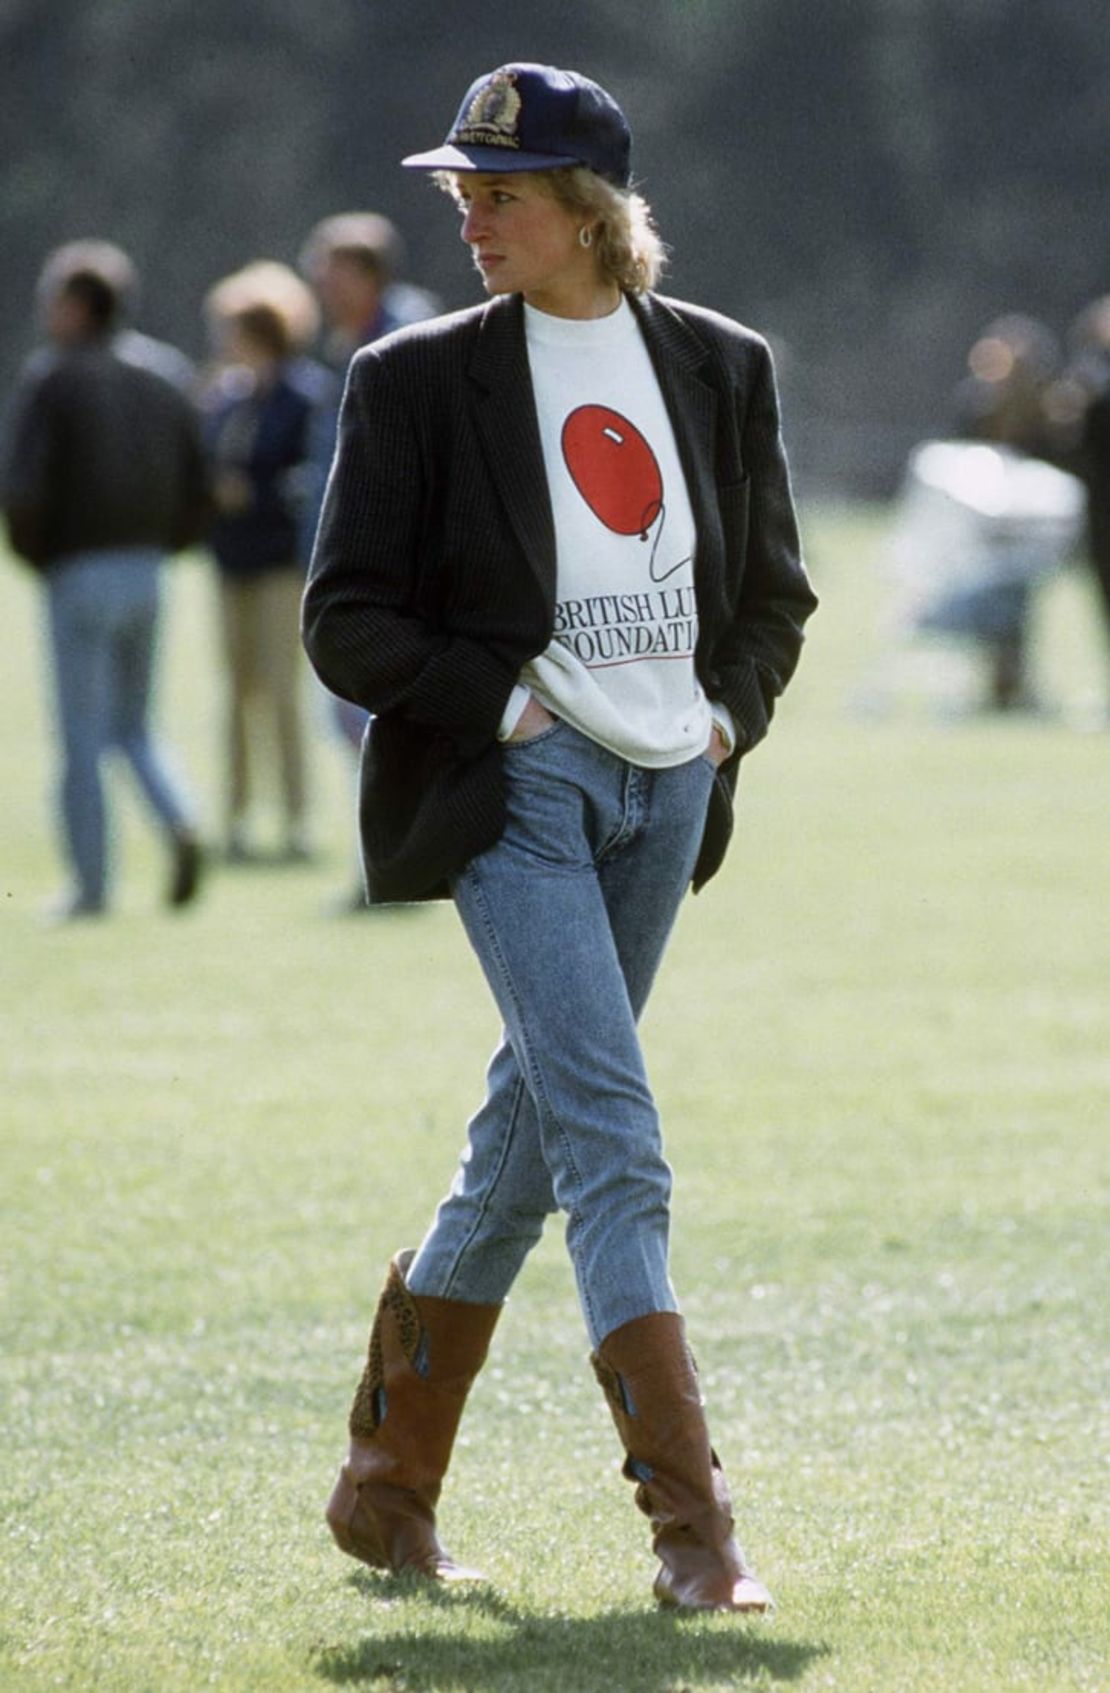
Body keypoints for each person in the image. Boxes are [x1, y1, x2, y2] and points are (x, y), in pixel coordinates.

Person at [302, 62, 817, 1611]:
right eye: (461, 192)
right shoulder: (412, 379)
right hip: (516, 795)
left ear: (590, 214)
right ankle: (695, 1536)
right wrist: (502, 705)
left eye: (500, 194)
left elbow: (774, 593)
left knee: (523, 1148)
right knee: (612, 1138)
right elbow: (344, 620)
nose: (470, 216)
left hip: (670, 792)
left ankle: (383, 1491)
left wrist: (721, 717)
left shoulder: (719, 366)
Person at [2, 241, 208, 920]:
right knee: (135, 727)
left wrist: (39, 557)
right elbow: (198, 480)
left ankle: (91, 889)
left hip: (79, 570)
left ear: (79, 305)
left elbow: (23, 487)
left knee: (82, 737)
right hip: (148, 568)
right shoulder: (165, 373)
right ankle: (178, 816)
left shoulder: (54, 377)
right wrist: (169, 545)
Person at [298, 213, 441, 907]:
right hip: (360, 561)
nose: (322, 285)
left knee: (371, 716)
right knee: (359, 719)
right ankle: (392, 864)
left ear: (370, 273)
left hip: (395, 570)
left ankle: (397, 868)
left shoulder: (403, 337)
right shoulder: (351, 340)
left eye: (334, 271)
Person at [201, 261, 328, 863]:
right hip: (232, 563)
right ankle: (236, 819)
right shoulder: (225, 398)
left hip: (281, 565)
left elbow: (312, 476)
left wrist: (259, 492)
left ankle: (297, 822)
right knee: (236, 694)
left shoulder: (304, 396)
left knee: (282, 692)